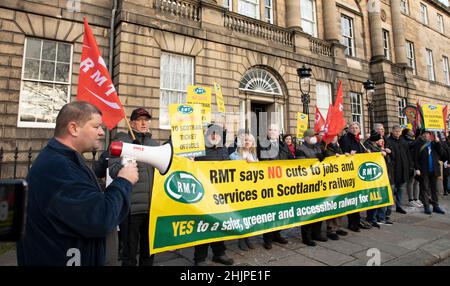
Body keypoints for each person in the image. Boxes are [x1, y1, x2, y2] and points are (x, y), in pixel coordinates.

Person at [17, 101, 139, 266]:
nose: (102, 133)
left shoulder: (63, 161)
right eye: (96, 126)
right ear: (73, 128)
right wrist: (123, 181)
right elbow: (100, 218)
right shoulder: (58, 168)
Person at [109, 107, 158, 266]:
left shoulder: (154, 144)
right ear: (132, 122)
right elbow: (113, 170)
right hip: (131, 209)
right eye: (140, 119)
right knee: (129, 255)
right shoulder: (122, 143)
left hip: (152, 209)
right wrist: (127, 160)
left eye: (146, 119)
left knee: (148, 252)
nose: (144, 123)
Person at [193, 124, 234, 266]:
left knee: (219, 224)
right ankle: (200, 258)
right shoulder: (199, 150)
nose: (214, 135)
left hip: (220, 195)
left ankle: (219, 253)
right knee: (203, 226)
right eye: (212, 133)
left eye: (217, 133)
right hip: (204, 195)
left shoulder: (223, 149)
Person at [257, 123, 290, 249]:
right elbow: (264, 162)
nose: (272, 131)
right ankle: (268, 238)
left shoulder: (283, 145)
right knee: (270, 211)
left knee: (280, 210)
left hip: (282, 183)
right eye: (270, 129)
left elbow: (291, 159)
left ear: (279, 132)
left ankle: (277, 234)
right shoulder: (262, 144)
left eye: (275, 130)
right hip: (269, 183)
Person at [297, 129, 327, 246]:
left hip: (319, 182)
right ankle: (306, 236)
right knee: (308, 210)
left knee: (319, 208)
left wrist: (323, 156)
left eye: (314, 135)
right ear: (305, 138)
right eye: (310, 136)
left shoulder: (318, 147)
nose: (313, 138)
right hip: (307, 184)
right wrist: (316, 158)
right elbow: (302, 166)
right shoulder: (300, 149)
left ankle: (317, 233)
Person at [230, 133, 258, 251]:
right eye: (245, 140)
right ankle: (241, 239)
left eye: (250, 141)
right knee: (241, 215)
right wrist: (243, 162)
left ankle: (248, 238)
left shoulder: (254, 155)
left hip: (251, 188)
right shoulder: (234, 155)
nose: (247, 142)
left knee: (250, 215)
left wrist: (255, 164)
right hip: (240, 190)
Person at [339, 122, 368, 232]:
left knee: (357, 198)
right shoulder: (345, 139)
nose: (355, 129)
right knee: (351, 198)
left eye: (356, 128)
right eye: (352, 128)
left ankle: (357, 220)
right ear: (349, 129)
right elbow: (343, 153)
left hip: (357, 172)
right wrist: (349, 154)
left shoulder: (358, 140)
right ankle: (352, 223)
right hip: (349, 173)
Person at [363, 130, 392, 227]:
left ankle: (380, 217)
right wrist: (380, 153)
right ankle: (372, 218)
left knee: (381, 196)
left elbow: (386, 161)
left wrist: (384, 153)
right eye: (379, 139)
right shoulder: (367, 146)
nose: (381, 141)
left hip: (381, 175)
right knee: (373, 197)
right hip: (372, 176)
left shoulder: (378, 147)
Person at [414, 129, 446, 215]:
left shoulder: (434, 143)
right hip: (423, 170)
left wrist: (438, 143)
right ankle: (426, 206)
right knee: (425, 188)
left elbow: (442, 154)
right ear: (422, 135)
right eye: (424, 134)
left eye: (427, 134)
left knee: (434, 189)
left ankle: (436, 206)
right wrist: (417, 168)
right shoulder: (418, 144)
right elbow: (415, 158)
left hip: (434, 170)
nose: (426, 135)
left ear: (430, 135)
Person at [323, 135, 348, 238]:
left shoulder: (338, 147)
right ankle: (330, 229)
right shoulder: (326, 147)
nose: (334, 138)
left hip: (339, 179)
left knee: (339, 203)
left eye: (335, 137)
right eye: (332, 137)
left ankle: (338, 227)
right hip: (330, 180)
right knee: (331, 204)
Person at [386, 126, 411, 214]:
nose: (397, 133)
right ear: (392, 131)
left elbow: (408, 155)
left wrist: (410, 166)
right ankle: (389, 207)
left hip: (403, 169)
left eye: (399, 131)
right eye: (396, 131)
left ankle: (399, 206)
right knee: (392, 189)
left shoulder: (403, 141)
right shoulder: (388, 141)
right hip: (393, 169)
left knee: (400, 188)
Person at [401, 128, 422, 207]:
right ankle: (411, 199)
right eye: (411, 131)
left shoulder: (412, 140)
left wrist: (418, 132)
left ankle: (416, 199)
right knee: (411, 182)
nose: (412, 132)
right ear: (406, 134)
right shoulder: (405, 141)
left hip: (416, 163)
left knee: (417, 182)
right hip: (410, 164)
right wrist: (419, 137)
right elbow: (412, 144)